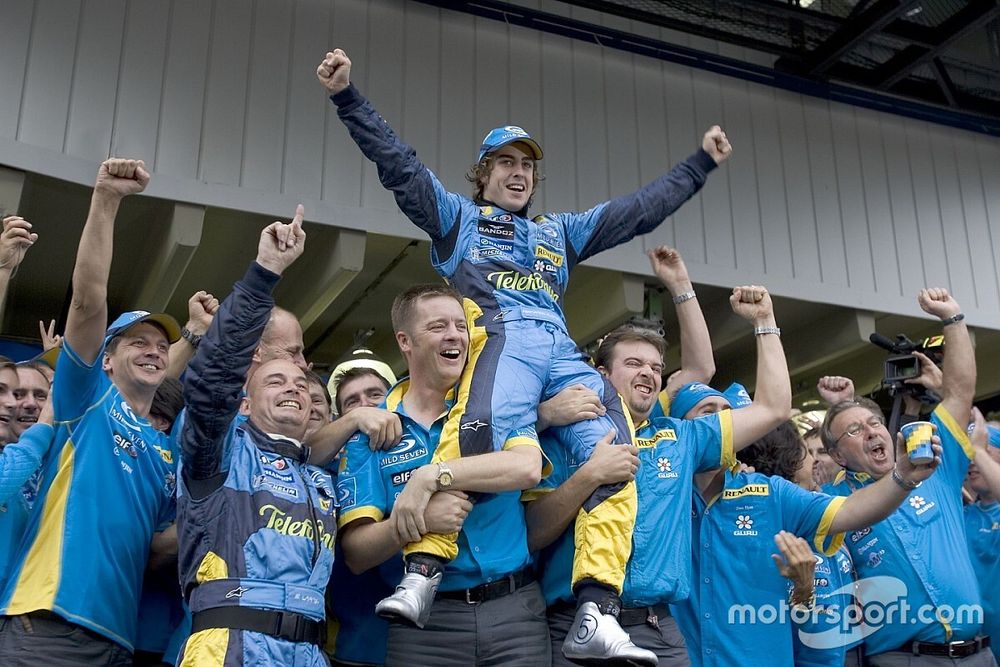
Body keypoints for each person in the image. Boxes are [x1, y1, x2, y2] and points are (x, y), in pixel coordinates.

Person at [318, 48, 731, 664]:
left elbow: (635, 210)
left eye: (527, 167)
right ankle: (425, 570)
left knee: (620, 456)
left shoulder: (557, 234)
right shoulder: (456, 220)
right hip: (499, 345)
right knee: (476, 435)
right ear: (481, 174)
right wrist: (349, 99)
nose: (518, 174)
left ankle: (596, 605)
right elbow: (400, 169)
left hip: (560, 349)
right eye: (505, 163)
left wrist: (699, 165)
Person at [528, 282, 792, 666]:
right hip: (574, 626)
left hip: (658, 630)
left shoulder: (680, 437)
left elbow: (774, 408)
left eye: (655, 367)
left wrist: (765, 322)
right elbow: (533, 532)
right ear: (600, 374)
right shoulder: (561, 436)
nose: (649, 374)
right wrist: (589, 476)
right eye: (634, 364)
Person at [0, 158, 180, 666]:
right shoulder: (87, 403)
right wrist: (106, 200)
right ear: (105, 359)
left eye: (160, 346)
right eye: (135, 342)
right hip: (48, 618)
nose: (152, 350)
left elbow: (159, 546)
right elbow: (88, 303)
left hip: (117, 638)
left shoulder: (164, 450)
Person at [336, 284, 547, 666]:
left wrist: (432, 476)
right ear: (405, 341)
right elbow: (356, 554)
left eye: (460, 326)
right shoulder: (370, 432)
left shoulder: (497, 400)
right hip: (424, 624)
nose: (454, 335)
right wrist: (417, 521)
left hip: (515, 611)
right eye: (437, 327)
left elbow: (527, 467)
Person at [175, 207, 338, 667]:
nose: (294, 385)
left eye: (302, 384)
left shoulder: (321, 477)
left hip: (310, 652)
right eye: (275, 380)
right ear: (244, 400)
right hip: (230, 646)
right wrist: (265, 273)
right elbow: (211, 383)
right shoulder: (221, 451)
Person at [820, 289, 993, 665]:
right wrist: (837, 409)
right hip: (903, 658)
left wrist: (953, 319)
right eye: (854, 432)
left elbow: (960, 392)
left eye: (874, 423)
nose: (871, 432)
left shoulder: (935, 464)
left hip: (978, 654)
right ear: (836, 455)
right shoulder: (834, 502)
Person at [964, 411, 1000, 664]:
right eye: (969, 453)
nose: (973, 460)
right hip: (974, 653)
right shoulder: (962, 515)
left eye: (985, 449)